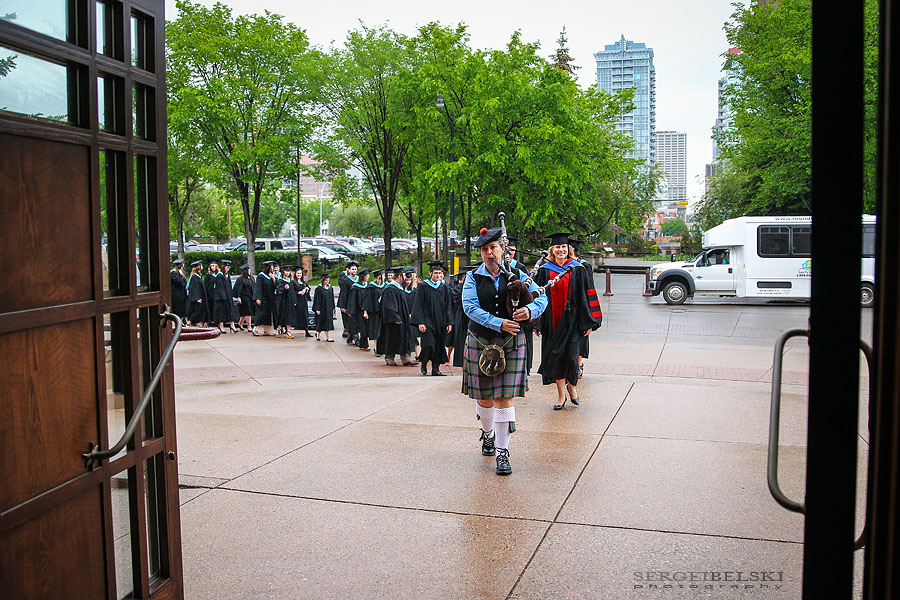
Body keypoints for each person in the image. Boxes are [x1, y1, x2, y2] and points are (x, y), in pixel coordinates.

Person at [462, 227, 548, 475]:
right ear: (481, 253)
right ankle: (487, 434)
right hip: (480, 339)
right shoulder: (472, 278)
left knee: (503, 399)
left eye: (493, 248)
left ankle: (502, 451)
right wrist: (498, 322)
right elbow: (470, 307)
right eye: (484, 250)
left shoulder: (517, 274)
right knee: (485, 399)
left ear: (502, 250)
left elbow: (542, 297)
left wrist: (531, 311)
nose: (489, 253)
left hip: (511, 343)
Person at [533, 233, 602, 409]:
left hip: (573, 321)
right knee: (555, 357)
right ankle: (561, 396)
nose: (561, 250)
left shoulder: (578, 269)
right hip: (552, 321)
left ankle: (573, 389)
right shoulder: (544, 270)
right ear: (552, 250)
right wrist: (537, 322)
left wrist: (589, 322)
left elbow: (587, 295)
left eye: (563, 247)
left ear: (568, 249)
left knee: (572, 357)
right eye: (557, 247)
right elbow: (537, 297)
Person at [411, 261, 452, 376]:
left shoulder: (444, 287)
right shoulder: (423, 286)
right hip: (427, 321)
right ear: (430, 273)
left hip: (440, 321)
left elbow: (448, 306)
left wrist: (449, 322)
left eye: (439, 273)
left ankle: (435, 369)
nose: (438, 275)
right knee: (429, 344)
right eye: (435, 273)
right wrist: (420, 322)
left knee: (439, 345)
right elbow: (418, 304)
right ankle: (424, 362)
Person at [569, 238, 602, 379]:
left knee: (582, 336)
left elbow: (589, 288)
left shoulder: (583, 266)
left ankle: (579, 364)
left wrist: (590, 314)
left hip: (582, 305)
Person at [378, 267, 418, 367]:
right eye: (404, 276)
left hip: (402, 319)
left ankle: (406, 358)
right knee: (391, 338)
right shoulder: (390, 289)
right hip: (393, 321)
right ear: (400, 276)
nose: (405, 278)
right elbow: (388, 306)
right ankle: (389, 358)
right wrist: (395, 317)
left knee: (403, 338)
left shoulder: (399, 288)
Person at [346, 268, 371, 351]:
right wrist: (351, 311)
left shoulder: (367, 286)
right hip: (358, 310)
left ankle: (362, 344)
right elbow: (352, 300)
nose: (368, 277)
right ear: (362, 276)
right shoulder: (355, 287)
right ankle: (362, 344)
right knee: (361, 327)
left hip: (366, 309)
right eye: (367, 276)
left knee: (365, 328)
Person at [252, 261, 277, 336]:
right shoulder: (261, 276)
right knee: (260, 315)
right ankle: (255, 330)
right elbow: (258, 288)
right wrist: (257, 298)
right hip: (262, 299)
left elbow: (275, 287)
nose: (273, 269)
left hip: (269, 299)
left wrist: (274, 279)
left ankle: (266, 330)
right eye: (272, 267)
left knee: (267, 315)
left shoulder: (271, 276)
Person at [338, 262, 359, 341]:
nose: (354, 271)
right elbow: (343, 294)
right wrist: (342, 306)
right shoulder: (346, 281)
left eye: (355, 269)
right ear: (349, 270)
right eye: (352, 269)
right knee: (350, 321)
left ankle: (350, 337)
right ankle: (355, 338)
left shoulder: (359, 280)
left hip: (357, 303)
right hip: (348, 303)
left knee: (355, 321)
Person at [233, 263, 255, 332]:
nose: (250, 271)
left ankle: (240, 323)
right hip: (244, 298)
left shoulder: (251, 278)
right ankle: (249, 326)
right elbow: (238, 288)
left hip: (250, 297)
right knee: (248, 312)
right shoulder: (241, 279)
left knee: (245, 313)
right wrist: (238, 297)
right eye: (249, 270)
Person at [313, 275, 336, 341]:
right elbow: (316, 299)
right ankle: (321, 335)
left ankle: (324, 336)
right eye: (326, 280)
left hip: (328, 308)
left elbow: (332, 298)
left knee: (327, 323)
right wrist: (317, 309)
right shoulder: (319, 289)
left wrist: (333, 307)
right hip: (321, 308)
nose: (327, 282)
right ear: (322, 280)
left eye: (328, 280)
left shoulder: (330, 288)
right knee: (321, 322)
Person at [368, 269, 385, 356]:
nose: (385, 276)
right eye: (383, 275)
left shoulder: (385, 286)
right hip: (374, 312)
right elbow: (368, 300)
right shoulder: (371, 286)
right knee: (375, 330)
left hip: (383, 312)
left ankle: (381, 348)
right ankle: (376, 348)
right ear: (380, 276)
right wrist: (366, 312)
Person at [292, 267, 313, 337]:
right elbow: (292, 292)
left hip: (303, 301)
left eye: (300, 273)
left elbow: (308, 290)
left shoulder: (304, 282)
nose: (299, 275)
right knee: (295, 315)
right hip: (297, 301)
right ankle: (289, 330)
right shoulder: (293, 282)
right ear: (295, 274)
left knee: (304, 316)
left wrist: (307, 290)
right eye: (297, 273)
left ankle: (306, 331)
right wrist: (297, 293)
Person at [277, 265, 296, 339]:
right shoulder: (280, 281)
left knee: (289, 317)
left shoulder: (290, 282)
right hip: (282, 302)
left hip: (289, 302)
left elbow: (293, 292)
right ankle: (279, 329)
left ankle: (288, 331)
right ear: (283, 272)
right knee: (282, 316)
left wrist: (294, 301)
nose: (287, 273)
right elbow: (279, 291)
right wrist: (284, 289)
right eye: (286, 271)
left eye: (288, 271)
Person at [221, 259, 238, 332]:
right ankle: (221, 326)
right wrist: (223, 296)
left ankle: (232, 325)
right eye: (227, 267)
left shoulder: (228, 276)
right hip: (223, 297)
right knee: (222, 312)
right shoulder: (220, 276)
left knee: (231, 311)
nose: (228, 269)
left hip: (229, 296)